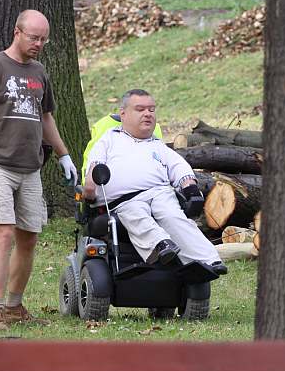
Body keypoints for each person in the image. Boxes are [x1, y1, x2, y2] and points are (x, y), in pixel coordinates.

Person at [0, 9, 80, 333]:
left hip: (31, 169)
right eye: (34, 37)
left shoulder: (39, 72)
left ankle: (14, 306)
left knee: (29, 238)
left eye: (44, 39)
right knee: (3, 234)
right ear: (17, 33)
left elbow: (46, 117)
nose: (39, 43)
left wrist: (63, 154)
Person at [83, 89, 227, 274]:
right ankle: (160, 246)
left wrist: (191, 189)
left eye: (151, 110)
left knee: (174, 216)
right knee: (136, 214)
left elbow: (178, 167)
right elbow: (95, 162)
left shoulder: (158, 145)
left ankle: (209, 260)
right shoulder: (110, 139)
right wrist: (89, 186)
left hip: (160, 193)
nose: (147, 114)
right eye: (140, 109)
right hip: (124, 200)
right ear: (123, 114)